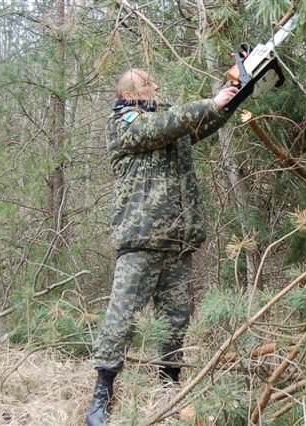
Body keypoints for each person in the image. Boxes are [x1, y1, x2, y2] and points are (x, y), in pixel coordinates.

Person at [86, 68, 238, 425]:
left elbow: (202, 122)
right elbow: (163, 126)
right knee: (122, 317)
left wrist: (235, 91)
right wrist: (211, 101)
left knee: (176, 320)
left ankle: (169, 388)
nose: (155, 85)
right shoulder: (124, 121)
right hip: (141, 239)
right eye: (147, 84)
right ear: (130, 94)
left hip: (177, 241)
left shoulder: (168, 122)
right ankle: (102, 393)